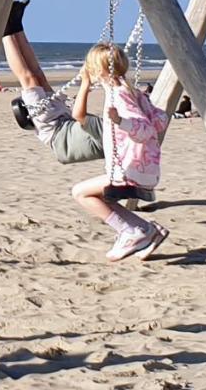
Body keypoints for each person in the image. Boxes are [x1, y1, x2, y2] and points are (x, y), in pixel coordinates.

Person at [71, 42, 169, 262]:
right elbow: (160, 119)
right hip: (144, 168)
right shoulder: (134, 92)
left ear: (98, 71)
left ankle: (131, 232)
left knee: (80, 192)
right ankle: (145, 230)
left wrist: (120, 121)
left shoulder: (119, 95)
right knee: (100, 196)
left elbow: (146, 129)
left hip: (131, 169)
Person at [2, 0, 104, 165]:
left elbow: (81, 115)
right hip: (66, 119)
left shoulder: (111, 137)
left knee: (29, 79)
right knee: (39, 76)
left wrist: (85, 84)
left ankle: (6, 32)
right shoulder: (116, 132)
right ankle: (16, 25)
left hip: (53, 129)